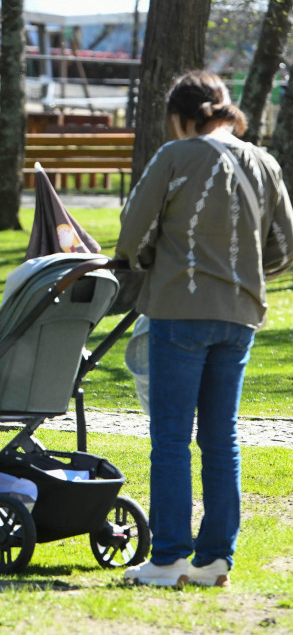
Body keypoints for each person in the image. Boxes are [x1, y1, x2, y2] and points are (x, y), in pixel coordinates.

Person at [117, 70, 293, 587]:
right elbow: (284, 246)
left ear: (181, 116)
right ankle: (216, 558)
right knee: (221, 439)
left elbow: (134, 234)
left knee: (171, 437)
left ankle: (169, 558)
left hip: (180, 310)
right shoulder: (264, 162)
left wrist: (151, 263)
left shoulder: (175, 157)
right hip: (240, 315)